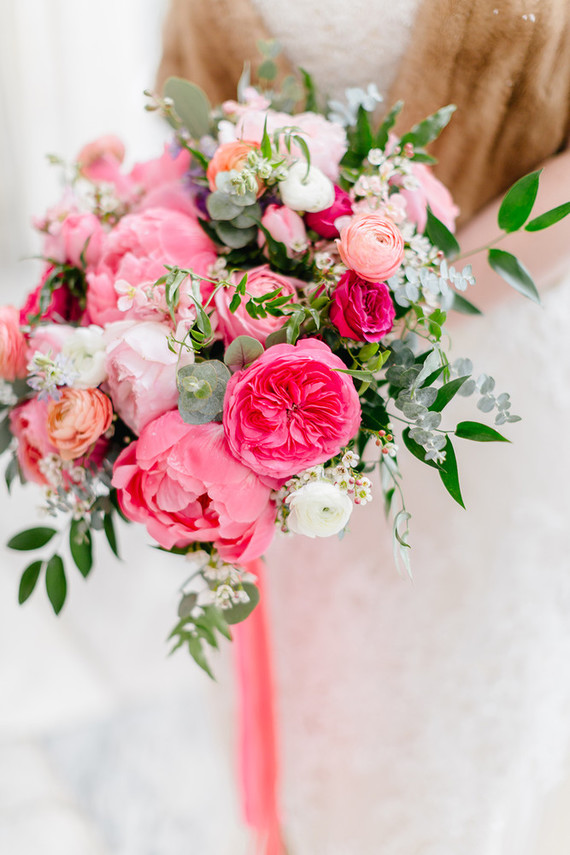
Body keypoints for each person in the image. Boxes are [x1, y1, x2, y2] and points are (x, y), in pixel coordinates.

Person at [158, 2, 570, 853]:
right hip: (286, 409)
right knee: (332, 715)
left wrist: (409, 304)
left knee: (464, 716)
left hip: (489, 377)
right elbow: (183, 120)